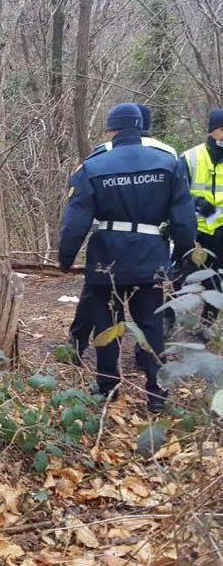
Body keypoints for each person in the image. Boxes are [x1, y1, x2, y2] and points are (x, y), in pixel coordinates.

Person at [58, 103, 195, 413]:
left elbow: (75, 222)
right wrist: (185, 256)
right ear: (140, 128)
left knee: (106, 323)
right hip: (151, 257)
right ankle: (156, 394)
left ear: (111, 131)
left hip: (107, 259)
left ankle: (108, 388)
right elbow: (184, 220)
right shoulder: (168, 163)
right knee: (152, 326)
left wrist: (65, 258)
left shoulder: (93, 166)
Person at [67, 104, 176, 360]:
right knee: (150, 314)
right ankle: (151, 371)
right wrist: (180, 247)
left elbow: (79, 209)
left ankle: (79, 348)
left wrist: (67, 254)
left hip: (108, 248)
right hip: (151, 247)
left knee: (100, 307)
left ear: (113, 129)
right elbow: (179, 205)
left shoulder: (101, 155)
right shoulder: (168, 155)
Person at [179, 109, 223, 323]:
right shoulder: (190, 157)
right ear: (211, 131)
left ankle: (207, 328)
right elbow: (176, 192)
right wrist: (197, 204)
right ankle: (169, 324)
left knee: (218, 284)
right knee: (181, 279)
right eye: (222, 130)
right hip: (193, 231)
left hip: (221, 233)